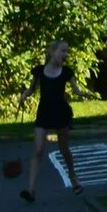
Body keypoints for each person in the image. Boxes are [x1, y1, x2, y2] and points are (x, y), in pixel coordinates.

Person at [22, 41, 83, 202]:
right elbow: (32, 89)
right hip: (43, 113)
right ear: (52, 52)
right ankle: (31, 190)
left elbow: (76, 89)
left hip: (61, 113)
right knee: (38, 149)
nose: (65, 54)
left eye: (66, 51)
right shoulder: (39, 71)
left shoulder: (66, 72)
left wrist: (83, 94)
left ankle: (73, 176)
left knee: (64, 149)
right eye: (63, 51)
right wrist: (24, 96)